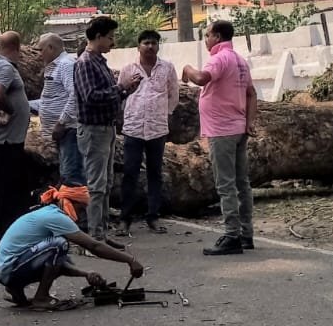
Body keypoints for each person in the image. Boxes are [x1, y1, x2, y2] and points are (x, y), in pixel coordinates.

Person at [0, 189, 144, 309]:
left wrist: (85, 274)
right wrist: (130, 260)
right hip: (11, 268)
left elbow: (55, 264)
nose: (80, 215)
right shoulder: (56, 217)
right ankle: (41, 297)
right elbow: (94, 246)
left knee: (61, 255)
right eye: (80, 209)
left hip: (8, 270)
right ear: (70, 202)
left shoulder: (49, 213)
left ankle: (16, 290)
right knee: (59, 245)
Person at [182, 18, 258, 255]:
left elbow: (201, 78)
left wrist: (187, 69)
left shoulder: (220, 58)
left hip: (222, 130)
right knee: (241, 183)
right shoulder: (240, 60)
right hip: (237, 128)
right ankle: (246, 233)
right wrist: (249, 123)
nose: (206, 40)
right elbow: (251, 93)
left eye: (207, 35)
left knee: (225, 184)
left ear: (216, 36)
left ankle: (231, 235)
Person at [73, 15, 134, 243]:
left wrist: (126, 90)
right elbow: (91, 96)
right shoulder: (86, 63)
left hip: (106, 129)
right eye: (110, 37)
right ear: (98, 37)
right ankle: (94, 238)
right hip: (93, 130)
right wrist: (120, 88)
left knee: (106, 184)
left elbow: (109, 95)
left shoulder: (99, 61)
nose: (112, 42)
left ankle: (102, 233)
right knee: (97, 186)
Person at [115, 30, 180, 236]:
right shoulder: (128, 69)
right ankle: (125, 219)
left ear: (158, 46)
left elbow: (173, 95)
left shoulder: (167, 68)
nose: (150, 46)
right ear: (138, 46)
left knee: (155, 173)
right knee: (130, 173)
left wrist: (164, 113)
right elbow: (121, 92)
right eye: (146, 43)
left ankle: (153, 216)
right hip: (133, 128)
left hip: (157, 129)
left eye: (154, 43)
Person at [0, 31, 34, 234]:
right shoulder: (5, 67)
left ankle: (10, 229)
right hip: (8, 140)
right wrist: (9, 113)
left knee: (8, 184)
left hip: (6, 138)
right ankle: (12, 231)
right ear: (17, 47)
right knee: (11, 188)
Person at [36, 33, 82, 187]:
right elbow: (52, 97)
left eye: (40, 50)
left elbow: (75, 95)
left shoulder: (66, 64)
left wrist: (61, 122)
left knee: (71, 177)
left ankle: (76, 210)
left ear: (50, 48)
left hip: (68, 130)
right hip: (60, 132)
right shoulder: (54, 65)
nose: (38, 54)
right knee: (64, 174)